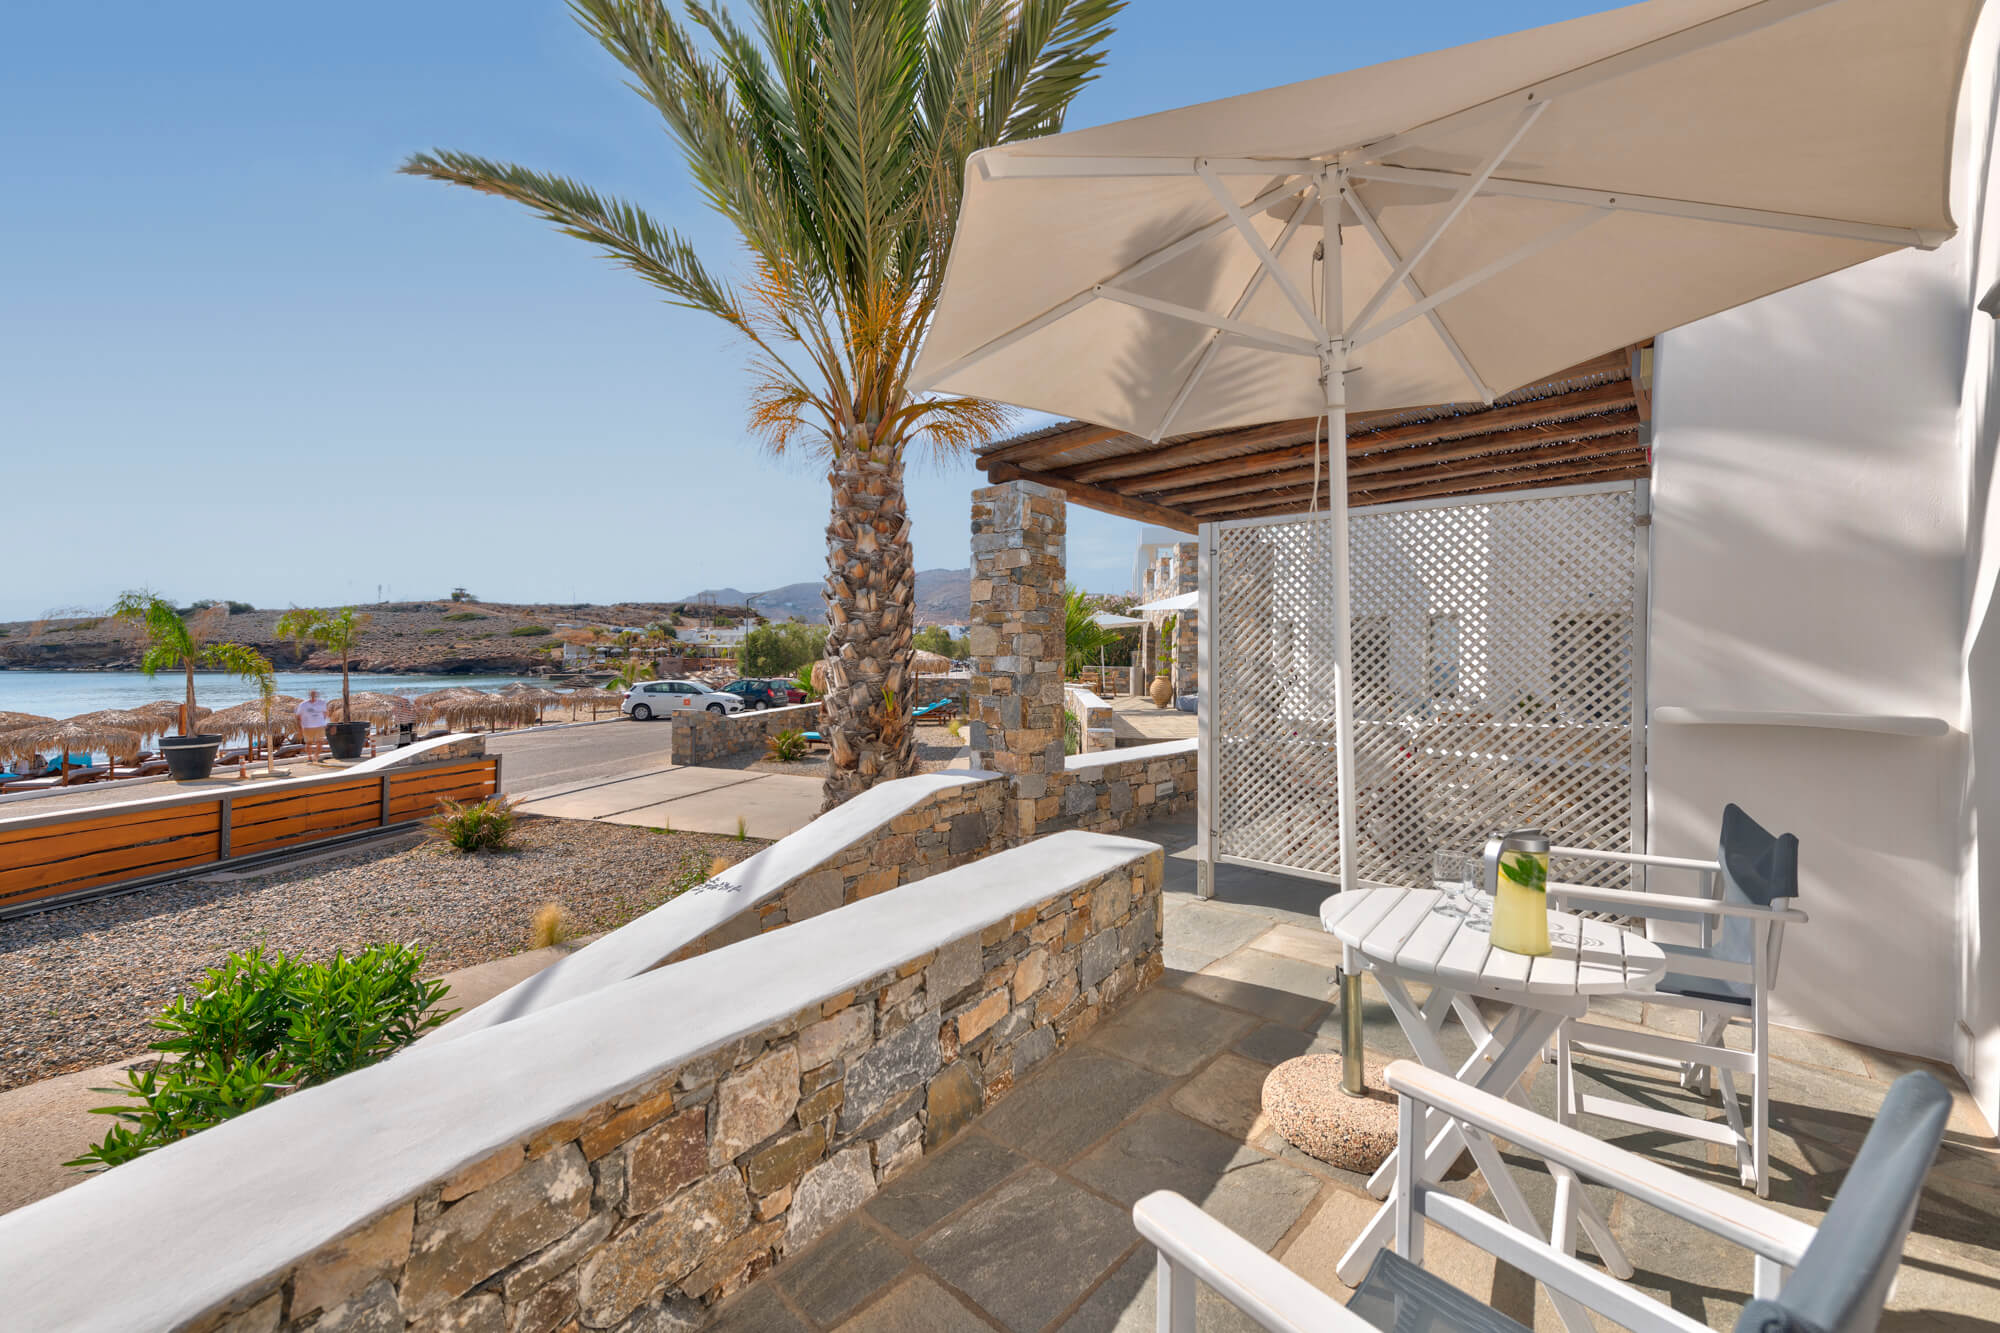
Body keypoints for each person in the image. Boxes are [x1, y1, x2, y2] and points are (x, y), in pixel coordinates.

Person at [296, 689, 330, 764]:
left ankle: (316, 757)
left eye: (315, 694)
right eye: (312, 694)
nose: (313, 696)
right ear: (309, 695)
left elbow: (325, 713)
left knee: (320, 742)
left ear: (317, 695)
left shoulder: (322, 703)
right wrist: (300, 727)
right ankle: (309, 757)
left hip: (320, 726)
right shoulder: (303, 704)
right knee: (308, 743)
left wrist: (324, 722)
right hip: (307, 726)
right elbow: (298, 716)